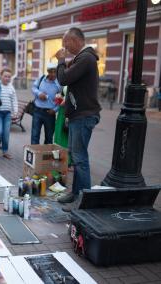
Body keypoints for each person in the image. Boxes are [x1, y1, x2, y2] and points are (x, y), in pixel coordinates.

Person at [55, 27, 101, 208]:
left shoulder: (86, 58)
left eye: (65, 43)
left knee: (80, 159)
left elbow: (63, 79)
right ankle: (75, 194)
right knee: (75, 156)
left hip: (84, 116)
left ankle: (83, 199)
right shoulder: (82, 58)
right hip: (78, 115)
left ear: (74, 40)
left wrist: (60, 60)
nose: (64, 47)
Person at [31, 63, 62, 145]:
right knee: (34, 136)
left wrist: (55, 110)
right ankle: (35, 155)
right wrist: (39, 93)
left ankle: (46, 156)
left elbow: (60, 99)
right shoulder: (41, 79)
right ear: (48, 72)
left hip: (49, 113)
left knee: (49, 138)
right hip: (37, 111)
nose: (53, 74)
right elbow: (33, 88)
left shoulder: (58, 84)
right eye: (51, 72)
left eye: (55, 72)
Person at [0, 68, 19, 159]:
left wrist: (15, 111)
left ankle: (5, 151)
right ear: (1, 76)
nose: (7, 78)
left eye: (9, 77)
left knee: (6, 134)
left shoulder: (11, 87)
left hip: (7, 115)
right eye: (5, 76)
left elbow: (14, 100)